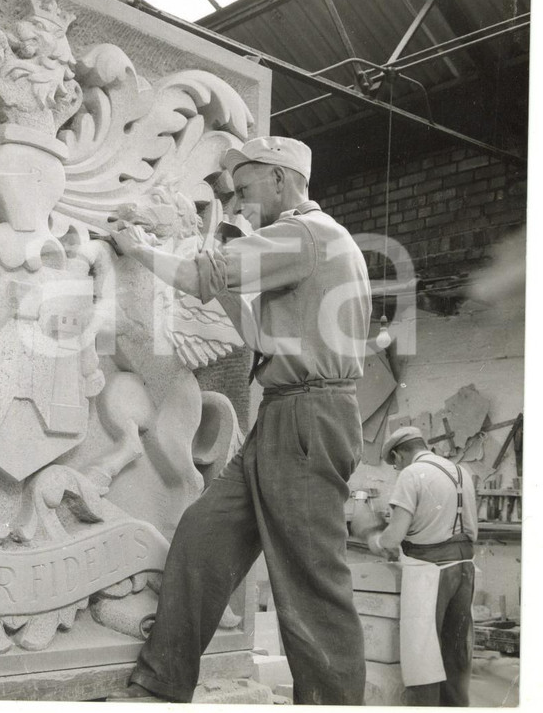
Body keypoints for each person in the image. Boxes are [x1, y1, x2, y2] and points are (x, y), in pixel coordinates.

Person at [109, 135, 372, 704]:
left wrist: (135, 249)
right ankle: (163, 680)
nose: (237, 207)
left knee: (309, 581)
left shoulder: (305, 234)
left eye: (245, 190)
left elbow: (198, 278)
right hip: (286, 412)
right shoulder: (311, 244)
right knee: (204, 537)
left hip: (308, 415)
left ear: (281, 180)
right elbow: (253, 327)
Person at [364, 426, 478, 706]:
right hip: (465, 568)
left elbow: (393, 538)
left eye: (394, 463)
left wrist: (374, 540)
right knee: (455, 652)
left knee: (422, 655)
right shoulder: (462, 471)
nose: (396, 468)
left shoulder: (411, 474)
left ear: (398, 454)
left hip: (430, 572)